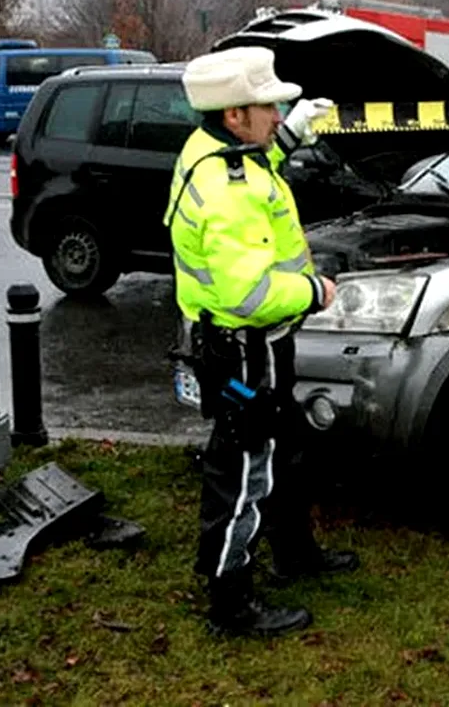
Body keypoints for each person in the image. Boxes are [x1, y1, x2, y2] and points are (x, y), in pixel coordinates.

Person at [166, 46, 360, 637]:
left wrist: (292, 135)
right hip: (243, 346)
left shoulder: (222, 151)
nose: (278, 115)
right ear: (233, 115)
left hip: (260, 345)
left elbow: (259, 162)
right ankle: (232, 603)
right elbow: (247, 293)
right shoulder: (227, 189)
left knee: (285, 447)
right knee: (244, 468)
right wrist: (314, 291)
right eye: (269, 107)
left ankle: (294, 552)